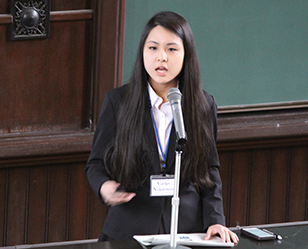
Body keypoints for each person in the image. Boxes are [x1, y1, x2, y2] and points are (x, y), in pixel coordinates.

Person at [85, 11, 239, 244]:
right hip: (130, 227)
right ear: (143, 52)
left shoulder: (203, 104)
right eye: (153, 48)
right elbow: (95, 164)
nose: (161, 58)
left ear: (186, 54)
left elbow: (209, 169)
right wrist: (104, 186)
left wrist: (215, 219)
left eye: (171, 49)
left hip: (187, 230)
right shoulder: (118, 102)